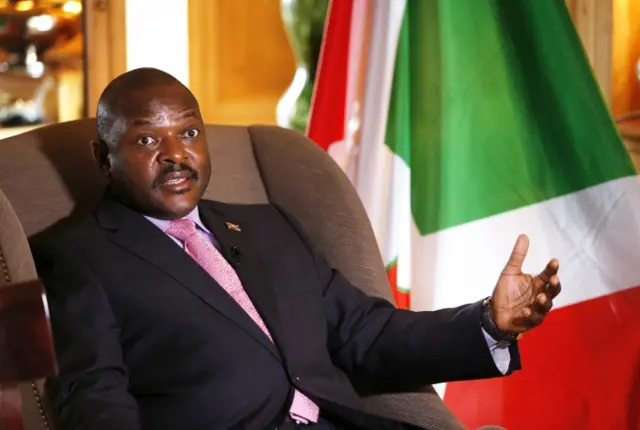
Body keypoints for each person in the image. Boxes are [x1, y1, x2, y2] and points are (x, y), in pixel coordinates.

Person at [32, 68, 561, 430]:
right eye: (147, 140)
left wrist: (489, 323)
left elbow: (366, 333)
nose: (176, 155)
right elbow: (95, 399)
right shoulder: (77, 256)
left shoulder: (267, 227)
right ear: (103, 158)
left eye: (189, 132)